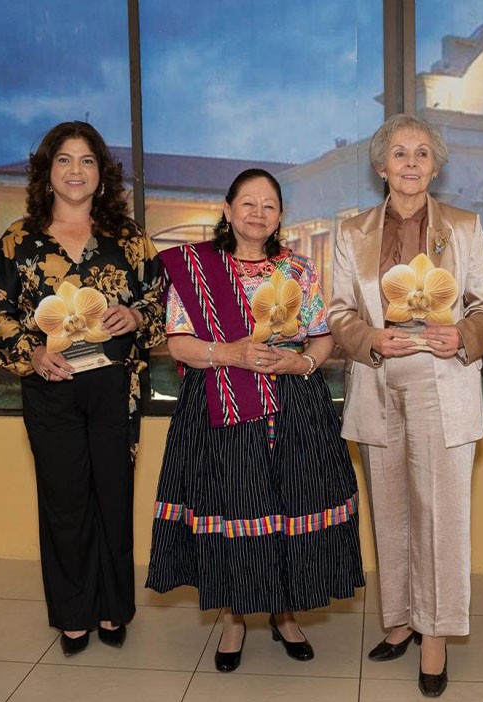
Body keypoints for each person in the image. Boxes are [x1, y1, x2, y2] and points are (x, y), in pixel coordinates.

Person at [146, 168, 364, 672]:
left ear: (280, 216)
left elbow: (321, 337)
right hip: (223, 399)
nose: (258, 213)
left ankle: (285, 615)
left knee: (289, 503)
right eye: (248, 202)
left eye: (269, 205)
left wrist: (301, 362)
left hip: (293, 403)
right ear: (227, 209)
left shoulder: (300, 270)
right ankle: (234, 618)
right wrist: (232, 354)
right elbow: (179, 343)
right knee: (233, 504)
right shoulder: (196, 270)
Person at [328, 114, 483, 697]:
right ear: (381, 166)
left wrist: (468, 336)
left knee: (441, 515)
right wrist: (368, 339)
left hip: (442, 379)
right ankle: (399, 621)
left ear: (435, 165)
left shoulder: (466, 226)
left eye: (421, 152)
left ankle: (435, 636)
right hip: (377, 379)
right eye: (399, 152)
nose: (410, 161)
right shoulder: (349, 232)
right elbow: (337, 312)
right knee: (392, 509)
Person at [0, 121, 165, 656]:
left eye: (87, 160)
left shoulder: (128, 239)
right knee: (64, 500)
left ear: (101, 174)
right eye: (64, 159)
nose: (75, 170)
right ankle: (72, 613)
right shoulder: (18, 240)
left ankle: (113, 608)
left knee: (112, 493)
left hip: (116, 387)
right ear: (47, 171)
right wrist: (32, 354)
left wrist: (135, 316)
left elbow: (160, 301)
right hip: (51, 384)